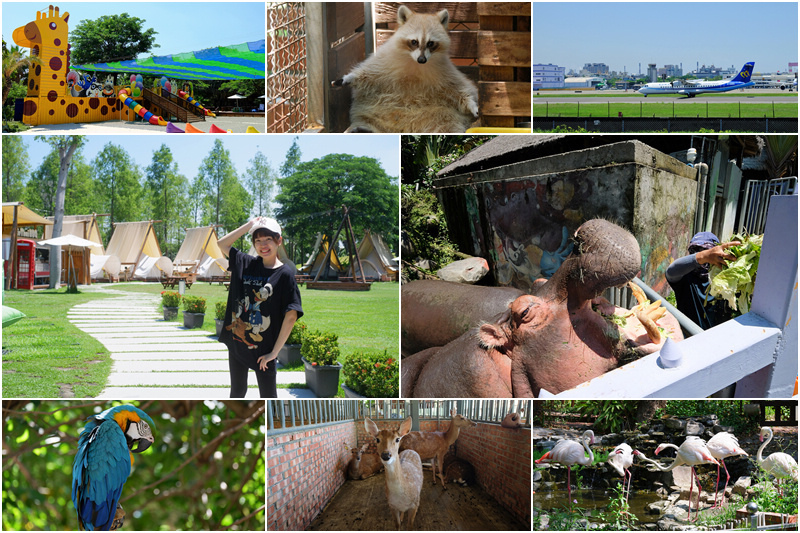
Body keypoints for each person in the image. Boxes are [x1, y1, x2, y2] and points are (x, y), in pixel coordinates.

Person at [217, 217, 303, 398]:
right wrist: (249, 226)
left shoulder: (285, 274)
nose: (263, 245)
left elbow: (291, 316)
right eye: (258, 241)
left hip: (264, 351)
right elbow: (222, 244)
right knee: (237, 392)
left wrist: (274, 353)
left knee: (268, 396)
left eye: (268, 240)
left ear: (278, 241)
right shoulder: (246, 263)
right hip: (238, 343)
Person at [665, 231, 740, 330]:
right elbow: (671, 272)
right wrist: (704, 256)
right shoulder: (685, 279)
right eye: (695, 251)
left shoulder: (726, 279)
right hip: (690, 337)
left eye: (707, 251)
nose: (704, 262)